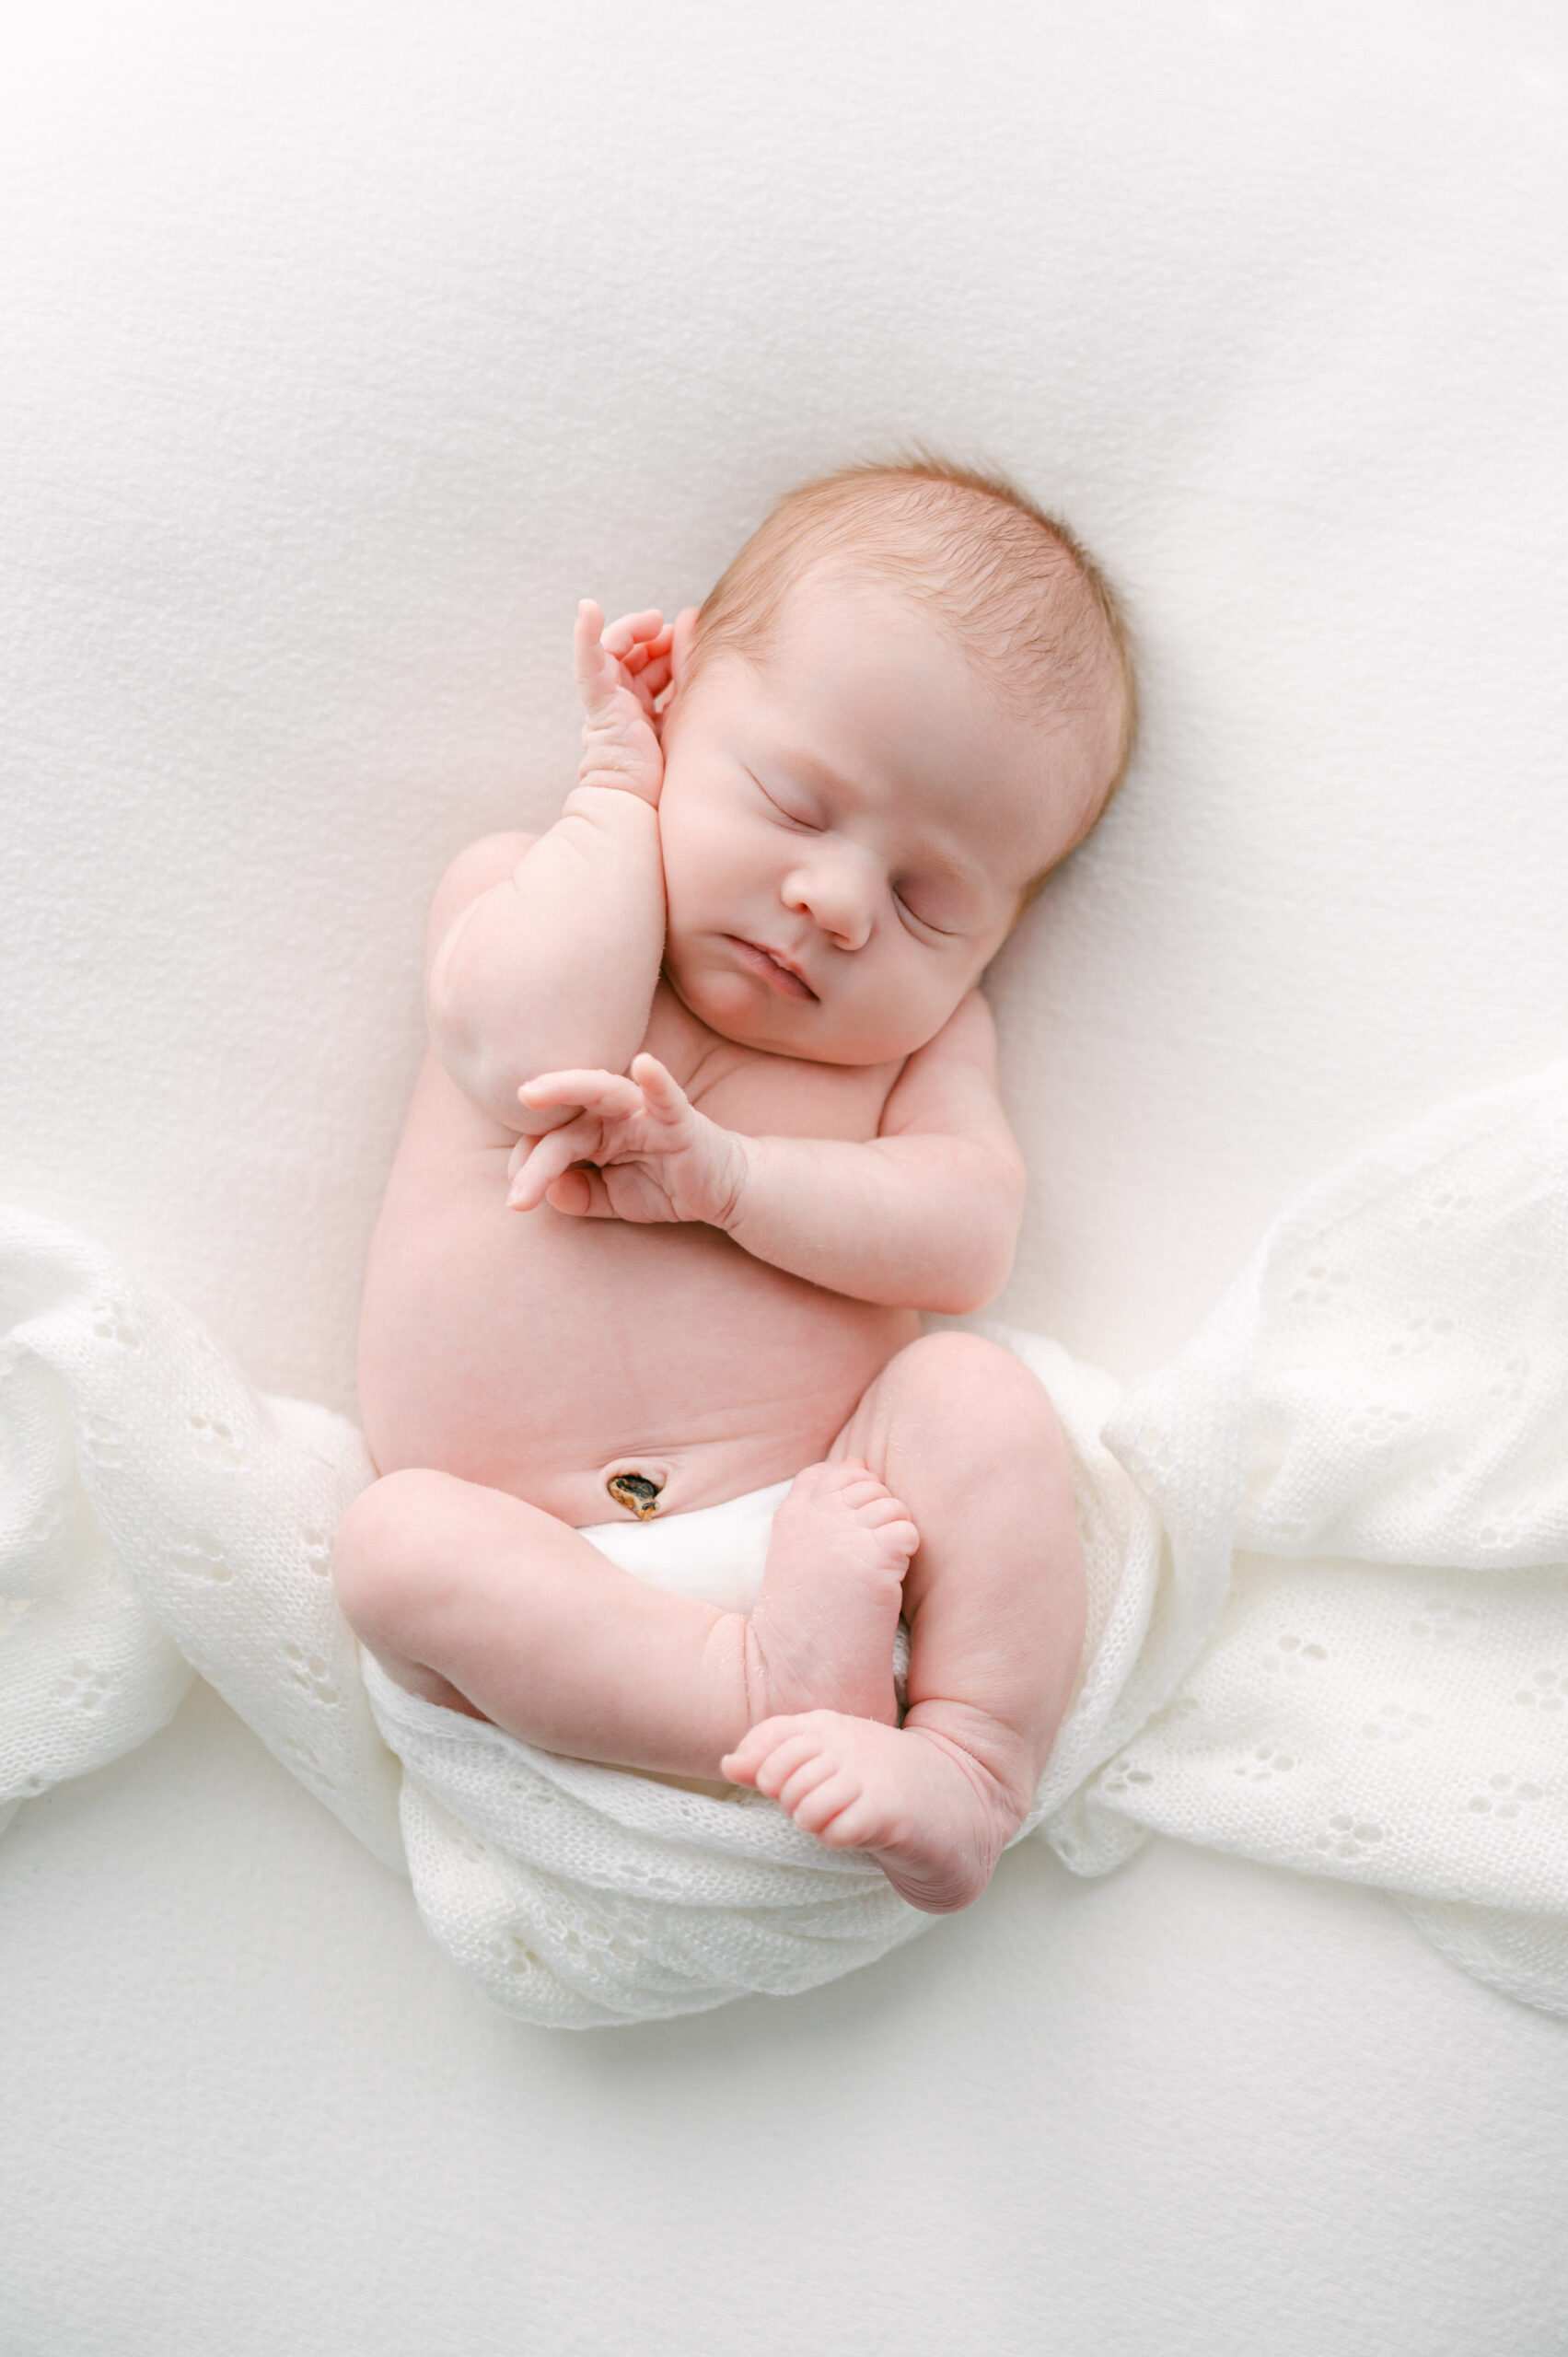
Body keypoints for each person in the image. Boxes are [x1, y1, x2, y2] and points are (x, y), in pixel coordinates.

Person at [334, 459, 1133, 1913]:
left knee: (978, 1404)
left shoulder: (922, 1042)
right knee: (390, 1550)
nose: (834, 902)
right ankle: (742, 1690)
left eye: (927, 902)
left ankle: (965, 1758)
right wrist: (611, 790)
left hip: (835, 1529)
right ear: (672, 688)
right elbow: (522, 1051)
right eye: (795, 802)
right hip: (544, 1576)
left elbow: (966, 1240)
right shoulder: (539, 892)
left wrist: (735, 1182)